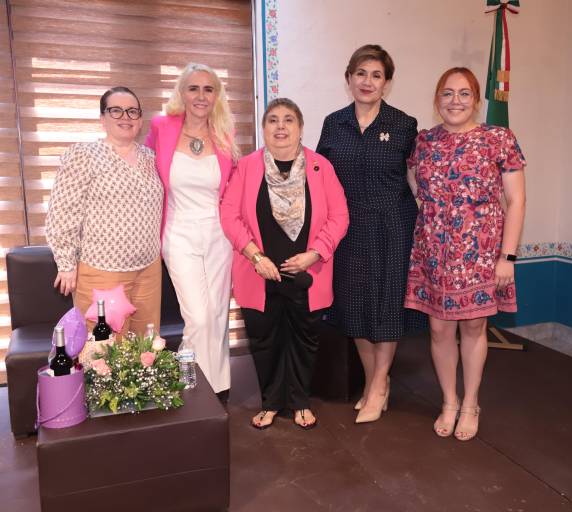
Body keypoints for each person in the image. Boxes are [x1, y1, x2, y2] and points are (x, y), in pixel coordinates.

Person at [405, 67, 527, 441]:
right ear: (436, 99)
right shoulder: (423, 142)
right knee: (439, 329)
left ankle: (471, 403)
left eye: (463, 93)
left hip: (481, 253)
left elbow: (516, 200)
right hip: (433, 252)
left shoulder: (498, 139)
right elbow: (415, 189)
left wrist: (507, 257)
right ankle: (449, 401)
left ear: (475, 100)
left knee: (474, 327)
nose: (455, 101)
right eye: (447, 93)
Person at [221, 98, 349, 429]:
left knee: (304, 338)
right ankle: (271, 402)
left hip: (307, 271)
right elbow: (229, 215)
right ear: (264, 128)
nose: (281, 126)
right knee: (264, 338)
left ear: (300, 128)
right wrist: (255, 256)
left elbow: (339, 216)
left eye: (289, 119)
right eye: (273, 120)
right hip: (259, 271)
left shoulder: (321, 166)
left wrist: (314, 254)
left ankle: (300, 400)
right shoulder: (246, 167)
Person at [316, 44, 426, 424]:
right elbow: (320, 179)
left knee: (387, 307)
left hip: (394, 227)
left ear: (387, 83)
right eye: (361, 73)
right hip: (349, 230)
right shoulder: (333, 124)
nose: (367, 81)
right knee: (355, 308)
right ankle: (374, 381)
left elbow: (418, 181)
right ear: (348, 78)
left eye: (376, 75)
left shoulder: (404, 125)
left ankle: (378, 386)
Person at [145, 63, 239, 396]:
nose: (201, 96)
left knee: (217, 316)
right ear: (181, 93)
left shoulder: (224, 133)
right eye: (194, 88)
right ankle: (192, 387)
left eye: (208, 89)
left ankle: (219, 389)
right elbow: (145, 176)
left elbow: (232, 190)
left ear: (217, 96)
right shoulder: (161, 127)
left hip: (218, 235)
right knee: (197, 317)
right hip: (178, 232)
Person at [46, 86, 163, 337]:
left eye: (132, 111)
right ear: (102, 119)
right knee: (105, 351)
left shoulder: (152, 158)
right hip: (103, 271)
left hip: (149, 271)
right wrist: (66, 264)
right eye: (116, 110)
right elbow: (62, 212)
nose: (125, 117)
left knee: (147, 346)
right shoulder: (84, 155)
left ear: (140, 119)